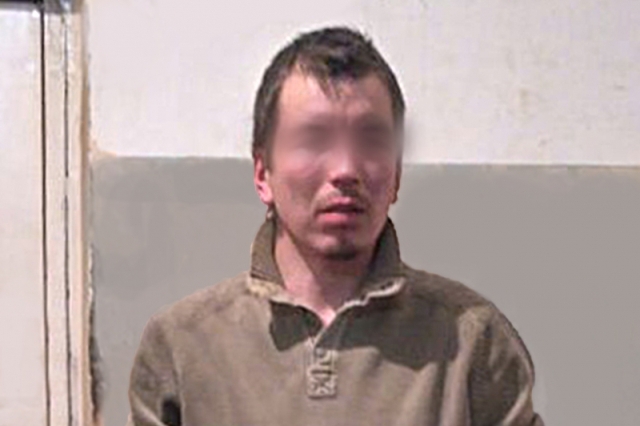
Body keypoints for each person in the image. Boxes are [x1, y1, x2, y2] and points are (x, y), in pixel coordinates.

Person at [127, 26, 544, 426]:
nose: (346, 169)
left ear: (397, 174)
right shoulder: (183, 346)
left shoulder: (470, 342)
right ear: (262, 173)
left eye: (371, 140)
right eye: (314, 139)